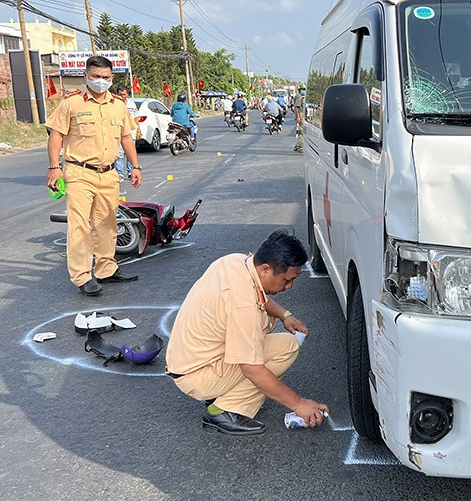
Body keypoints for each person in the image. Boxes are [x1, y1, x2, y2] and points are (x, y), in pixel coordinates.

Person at [165, 231, 330, 435]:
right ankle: (224, 410)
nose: (290, 286)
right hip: (198, 374)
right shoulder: (243, 307)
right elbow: (252, 370)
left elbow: (257, 295)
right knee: (282, 352)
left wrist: (284, 315)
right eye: (287, 280)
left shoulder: (236, 262)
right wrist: (298, 404)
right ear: (265, 270)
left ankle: (222, 394)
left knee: (283, 344)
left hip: (189, 360)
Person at [45, 55, 142, 297]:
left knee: (107, 223)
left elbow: (126, 138)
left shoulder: (118, 105)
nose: (101, 81)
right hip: (79, 172)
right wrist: (53, 167)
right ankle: (82, 276)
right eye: (96, 77)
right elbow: (56, 135)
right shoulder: (71, 104)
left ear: (112, 77)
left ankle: (106, 269)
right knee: (79, 226)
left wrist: (135, 166)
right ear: (86, 76)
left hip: (108, 173)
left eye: (106, 78)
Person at [112, 87, 139, 180]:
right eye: (120, 94)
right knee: (119, 153)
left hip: (131, 132)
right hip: (118, 132)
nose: (122, 96)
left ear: (127, 95)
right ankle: (120, 173)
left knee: (130, 152)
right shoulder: (114, 104)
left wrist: (138, 129)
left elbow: (136, 118)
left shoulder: (131, 104)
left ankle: (131, 171)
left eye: (124, 94)